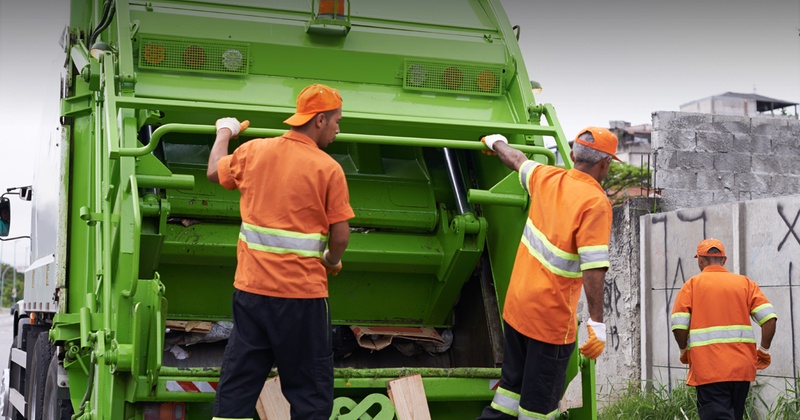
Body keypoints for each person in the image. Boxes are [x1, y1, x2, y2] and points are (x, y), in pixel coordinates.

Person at [207, 83, 355, 420]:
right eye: (336, 121)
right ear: (319, 120)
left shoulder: (254, 151)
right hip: (302, 298)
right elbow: (341, 235)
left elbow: (214, 172)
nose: (337, 129)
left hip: (251, 293)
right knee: (310, 391)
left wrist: (225, 132)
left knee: (239, 382)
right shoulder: (328, 168)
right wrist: (332, 261)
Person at [477, 127, 619, 419]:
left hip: (517, 310)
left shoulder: (546, 177)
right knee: (538, 410)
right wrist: (597, 323)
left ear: (571, 155)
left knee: (508, 396)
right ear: (605, 164)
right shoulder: (595, 202)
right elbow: (594, 267)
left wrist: (496, 142)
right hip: (550, 322)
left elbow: (516, 159)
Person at [671, 238, 777, 420]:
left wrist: (684, 350)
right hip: (741, 370)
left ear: (700, 260)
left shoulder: (691, 286)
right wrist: (764, 351)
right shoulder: (745, 284)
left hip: (709, 369)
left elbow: (679, 326)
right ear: (724, 260)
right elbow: (769, 319)